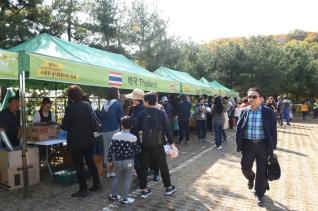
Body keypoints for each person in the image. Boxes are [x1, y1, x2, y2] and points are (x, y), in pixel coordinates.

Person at [236, 87, 277, 206]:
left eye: (254, 97)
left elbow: (273, 131)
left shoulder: (268, 112)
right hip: (248, 145)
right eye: (249, 96)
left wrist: (272, 147)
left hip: (263, 145)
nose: (251, 99)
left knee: (262, 171)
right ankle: (250, 177)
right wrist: (239, 143)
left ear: (261, 99)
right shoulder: (244, 111)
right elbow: (239, 129)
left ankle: (259, 194)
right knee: (245, 167)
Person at [132, 92, 176, 198]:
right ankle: (168, 188)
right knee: (163, 166)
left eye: (144, 101)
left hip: (144, 145)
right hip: (158, 144)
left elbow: (135, 129)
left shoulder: (141, 114)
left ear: (146, 102)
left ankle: (144, 189)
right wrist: (171, 142)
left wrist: (136, 143)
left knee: (143, 167)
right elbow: (167, 129)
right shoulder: (161, 113)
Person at [61, 85, 100, 198]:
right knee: (90, 162)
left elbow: (65, 126)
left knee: (79, 166)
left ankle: (83, 189)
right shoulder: (87, 105)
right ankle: (96, 183)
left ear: (70, 96)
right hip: (88, 139)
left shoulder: (70, 108)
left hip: (76, 142)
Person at [108, 116, 141, 204]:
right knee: (127, 179)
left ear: (121, 125)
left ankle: (113, 195)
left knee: (117, 177)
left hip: (118, 161)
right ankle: (125, 198)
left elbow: (111, 149)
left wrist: (109, 160)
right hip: (129, 161)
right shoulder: (133, 137)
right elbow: (137, 150)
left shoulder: (115, 135)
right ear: (132, 126)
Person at [100, 87, 124, 177]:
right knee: (115, 150)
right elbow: (121, 118)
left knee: (107, 150)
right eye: (118, 92)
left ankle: (109, 172)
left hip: (105, 130)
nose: (119, 93)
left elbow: (101, 117)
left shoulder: (105, 103)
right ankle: (114, 171)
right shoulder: (118, 104)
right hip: (115, 129)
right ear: (115, 93)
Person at [126, 88, 145, 182]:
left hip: (138, 138)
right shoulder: (138, 108)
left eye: (133, 98)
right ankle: (141, 177)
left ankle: (141, 179)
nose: (131, 100)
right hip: (137, 137)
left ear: (137, 99)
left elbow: (137, 125)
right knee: (139, 160)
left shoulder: (140, 110)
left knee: (138, 160)